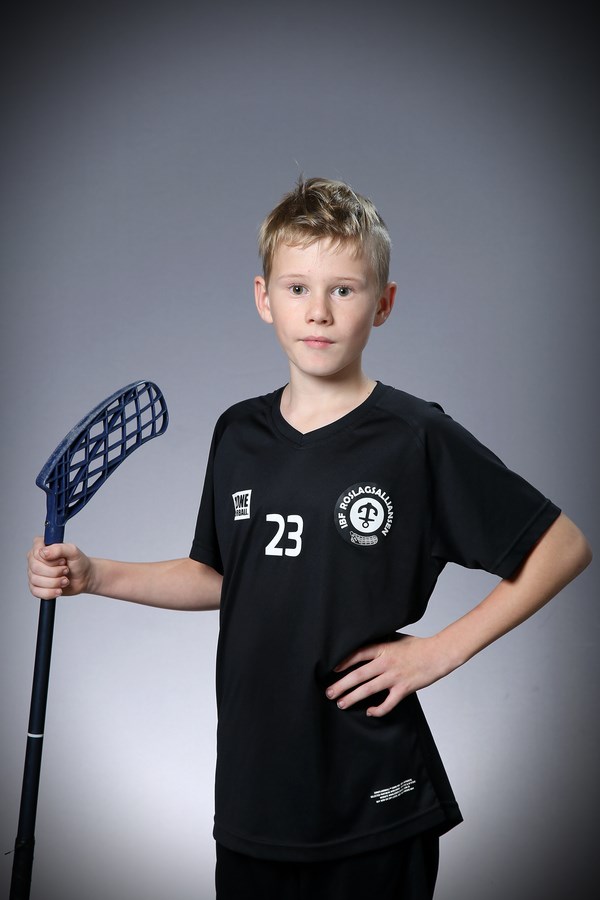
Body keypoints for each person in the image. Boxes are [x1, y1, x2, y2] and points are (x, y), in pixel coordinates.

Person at [27, 177, 592, 899]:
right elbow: (224, 576)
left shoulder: (414, 436)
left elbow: (562, 546)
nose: (318, 311)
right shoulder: (239, 433)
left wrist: (439, 652)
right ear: (264, 297)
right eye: (297, 288)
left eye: (344, 290)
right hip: (255, 788)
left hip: (370, 789)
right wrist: (94, 574)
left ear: (383, 303)